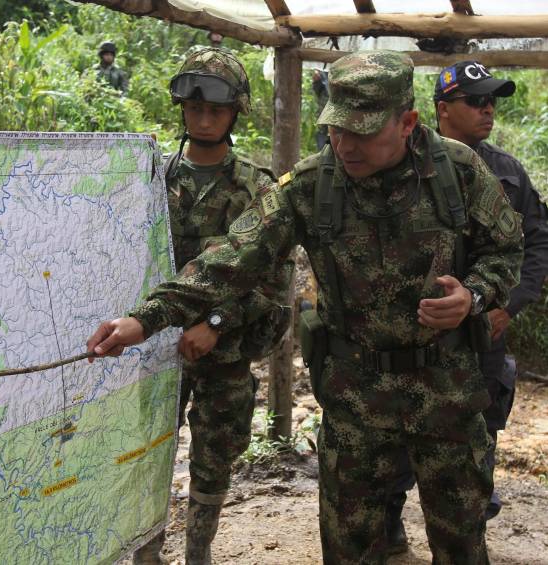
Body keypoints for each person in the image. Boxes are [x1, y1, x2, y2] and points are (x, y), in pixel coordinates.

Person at [88, 50, 523, 564]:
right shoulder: (313, 183)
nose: (344, 145)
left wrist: (472, 294)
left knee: (461, 544)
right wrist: (147, 318)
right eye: (337, 130)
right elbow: (233, 256)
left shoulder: (461, 171)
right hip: (355, 398)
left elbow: (506, 249)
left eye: (361, 132)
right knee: (349, 547)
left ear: (407, 123)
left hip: (448, 389)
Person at [132, 47, 292, 565]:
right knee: (145, 454)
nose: (203, 118)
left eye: (216, 110)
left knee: (213, 459)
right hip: (152, 349)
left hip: (224, 353)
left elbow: (274, 281)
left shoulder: (258, 187)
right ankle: (145, 551)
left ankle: (198, 552)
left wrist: (217, 324)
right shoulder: (149, 179)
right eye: (194, 108)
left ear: (235, 112)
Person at [382, 60, 548, 553]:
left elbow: (537, 244)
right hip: (415, 336)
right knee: (398, 434)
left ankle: (468, 528)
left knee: (480, 430)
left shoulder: (508, 173)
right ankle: (390, 523)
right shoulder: (402, 164)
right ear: (442, 110)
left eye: (492, 100)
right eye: (476, 101)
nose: (488, 110)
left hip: (481, 338)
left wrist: (508, 306)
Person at [312, 69, 330, 150]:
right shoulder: (322, 72)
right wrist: (316, 79)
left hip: (335, 112)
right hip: (324, 113)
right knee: (322, 132)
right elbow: (317, 89)